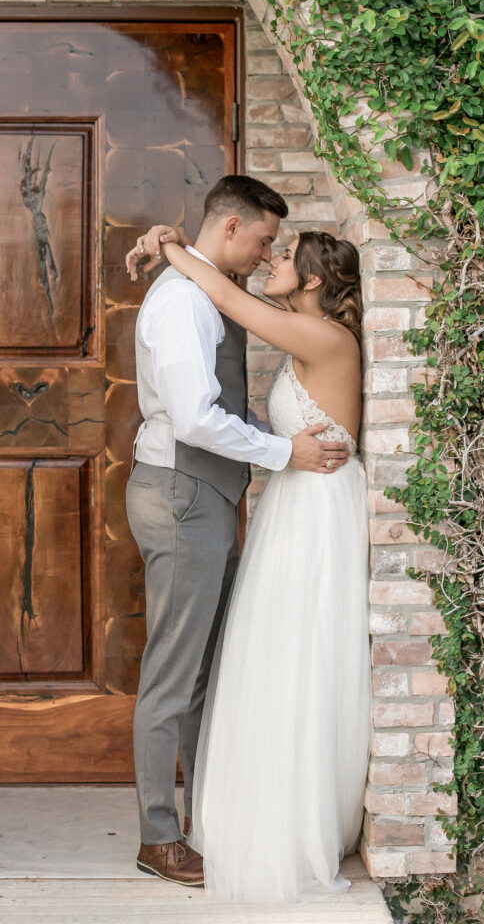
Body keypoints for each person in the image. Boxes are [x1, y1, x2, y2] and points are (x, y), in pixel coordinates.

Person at [126, 219, 372, 903]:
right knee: (263, 657)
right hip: (289, 506)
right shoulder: (307, 336)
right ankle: (225, 811)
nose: (272, 257)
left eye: (285, 254)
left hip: (315, 512)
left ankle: (287, 819)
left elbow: (232, 303)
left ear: (314, 281)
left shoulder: (324, 337)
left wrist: (171, 249)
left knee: (295, 658)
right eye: (267, 243)